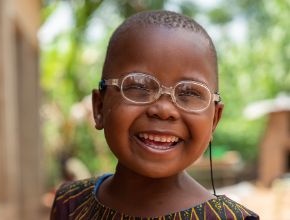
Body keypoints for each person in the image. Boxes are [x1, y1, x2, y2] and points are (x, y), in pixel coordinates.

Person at [50, 10, 259, 220]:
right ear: (99, 107)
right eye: (139, 86)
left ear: (214, 120)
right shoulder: (70, 204)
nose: (164, 110)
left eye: (189, 92)